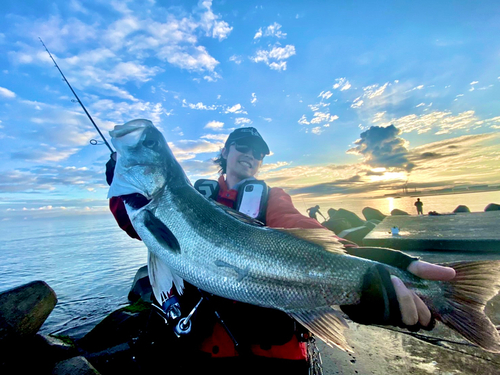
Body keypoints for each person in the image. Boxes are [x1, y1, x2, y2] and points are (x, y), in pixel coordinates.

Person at [106, 126, 455, 374]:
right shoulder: (193, 196)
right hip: (206, 346)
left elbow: (301, 229)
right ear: (225, 152)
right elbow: (142, 228)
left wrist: (373, 263)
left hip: (278, 352)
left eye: (258, 154)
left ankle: (452, 299)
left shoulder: (273, 198)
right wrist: (123, 191)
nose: (251, 155)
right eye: (243, 146)